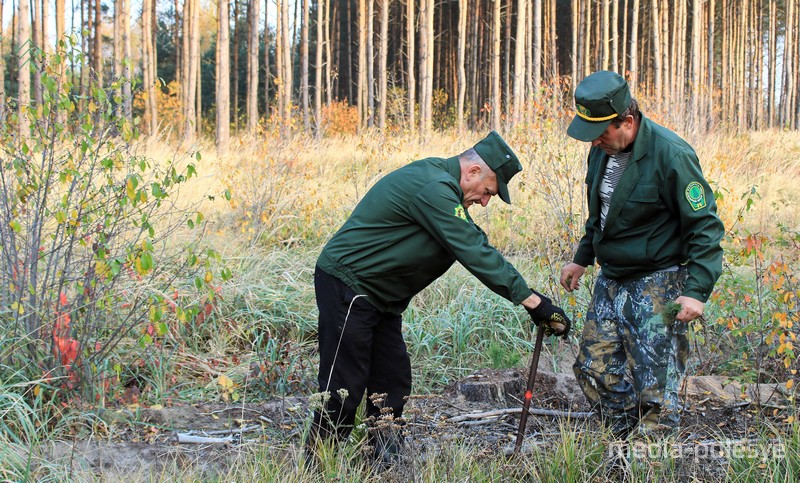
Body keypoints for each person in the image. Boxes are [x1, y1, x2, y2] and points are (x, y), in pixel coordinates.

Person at [306, 131, 571, 466]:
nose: (485, 201)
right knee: (344, 385)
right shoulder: (434, 187)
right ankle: (318, 465)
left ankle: (383, 464)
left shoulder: (444, 191)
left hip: (381, 299)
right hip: (349, 286)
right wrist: (535, 303)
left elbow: (471, 240)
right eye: (488, 191)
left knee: (392, 380)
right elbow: (474, 250)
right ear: (473, 171)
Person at [560, 71, 724, 439]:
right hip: (612, 277)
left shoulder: (672, 155)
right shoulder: (602, 150)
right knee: (593, 369)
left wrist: (697, 290)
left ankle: (651, 460)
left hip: (659, 283)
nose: (595, 141)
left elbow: (705, 227)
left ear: (628, 122)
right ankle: (622, 439)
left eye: (602, 132)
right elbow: (599, 215)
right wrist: (582, 257)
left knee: (657, 386)